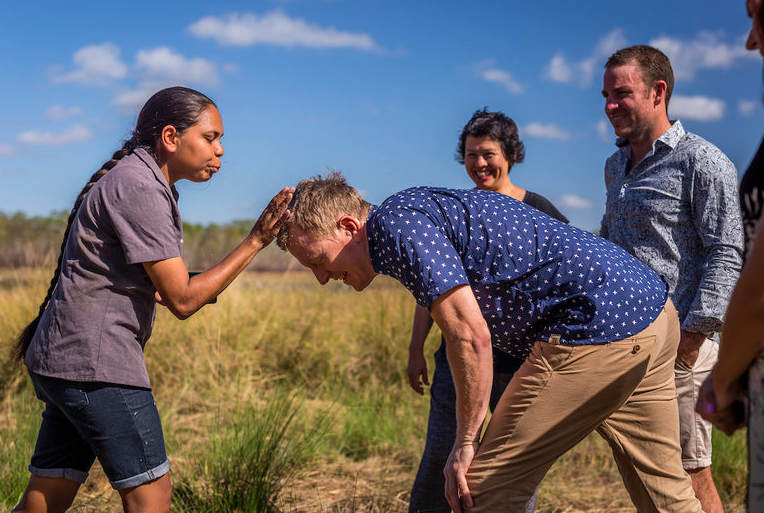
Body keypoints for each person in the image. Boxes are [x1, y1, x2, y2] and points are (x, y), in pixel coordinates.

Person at [276, 171, 703, 513]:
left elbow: (469, 334)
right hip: (653, 315)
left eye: (317, 260)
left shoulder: (394, 225)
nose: (320, 277)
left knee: (482, 490)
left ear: (349, 226)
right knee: (666, 494)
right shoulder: (413, 211)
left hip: (597, 327)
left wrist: (465, 443)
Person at [10, 86, 293, 513]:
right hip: (96, 365)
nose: (220, 151)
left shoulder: (136, 178)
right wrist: (257, 241)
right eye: (211, 137)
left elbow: (163, 285)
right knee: (153, 495)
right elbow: (181, 300)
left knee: (47, 497)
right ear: (170, 138)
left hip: (62, 360)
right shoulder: (140, 186)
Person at [599, 44, 744, 513]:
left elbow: (728, 251)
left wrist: (692, 339)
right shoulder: (614, 166)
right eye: (605, 95)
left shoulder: (703, 161)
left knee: (688, 470)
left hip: (682, 350)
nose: (609, 106)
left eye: (621, 93)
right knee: (643, 472)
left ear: (658, 92)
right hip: (629, 347)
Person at [407, 109, 567, 513]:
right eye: (471, 154)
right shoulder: (456, 211)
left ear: (510, 154)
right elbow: (431, 289)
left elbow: (566, 277)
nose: (480, 163)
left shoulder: (539, 210)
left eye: (488, 153)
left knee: (509, 466)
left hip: (520, 364)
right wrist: (415, 351)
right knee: (440, 458)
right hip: (457, 360)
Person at [697, 0, 764, 510]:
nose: (749, 41)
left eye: (754, 13)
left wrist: (719, 378)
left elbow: (745, 273)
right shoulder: (614, 168)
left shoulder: (703, 160)